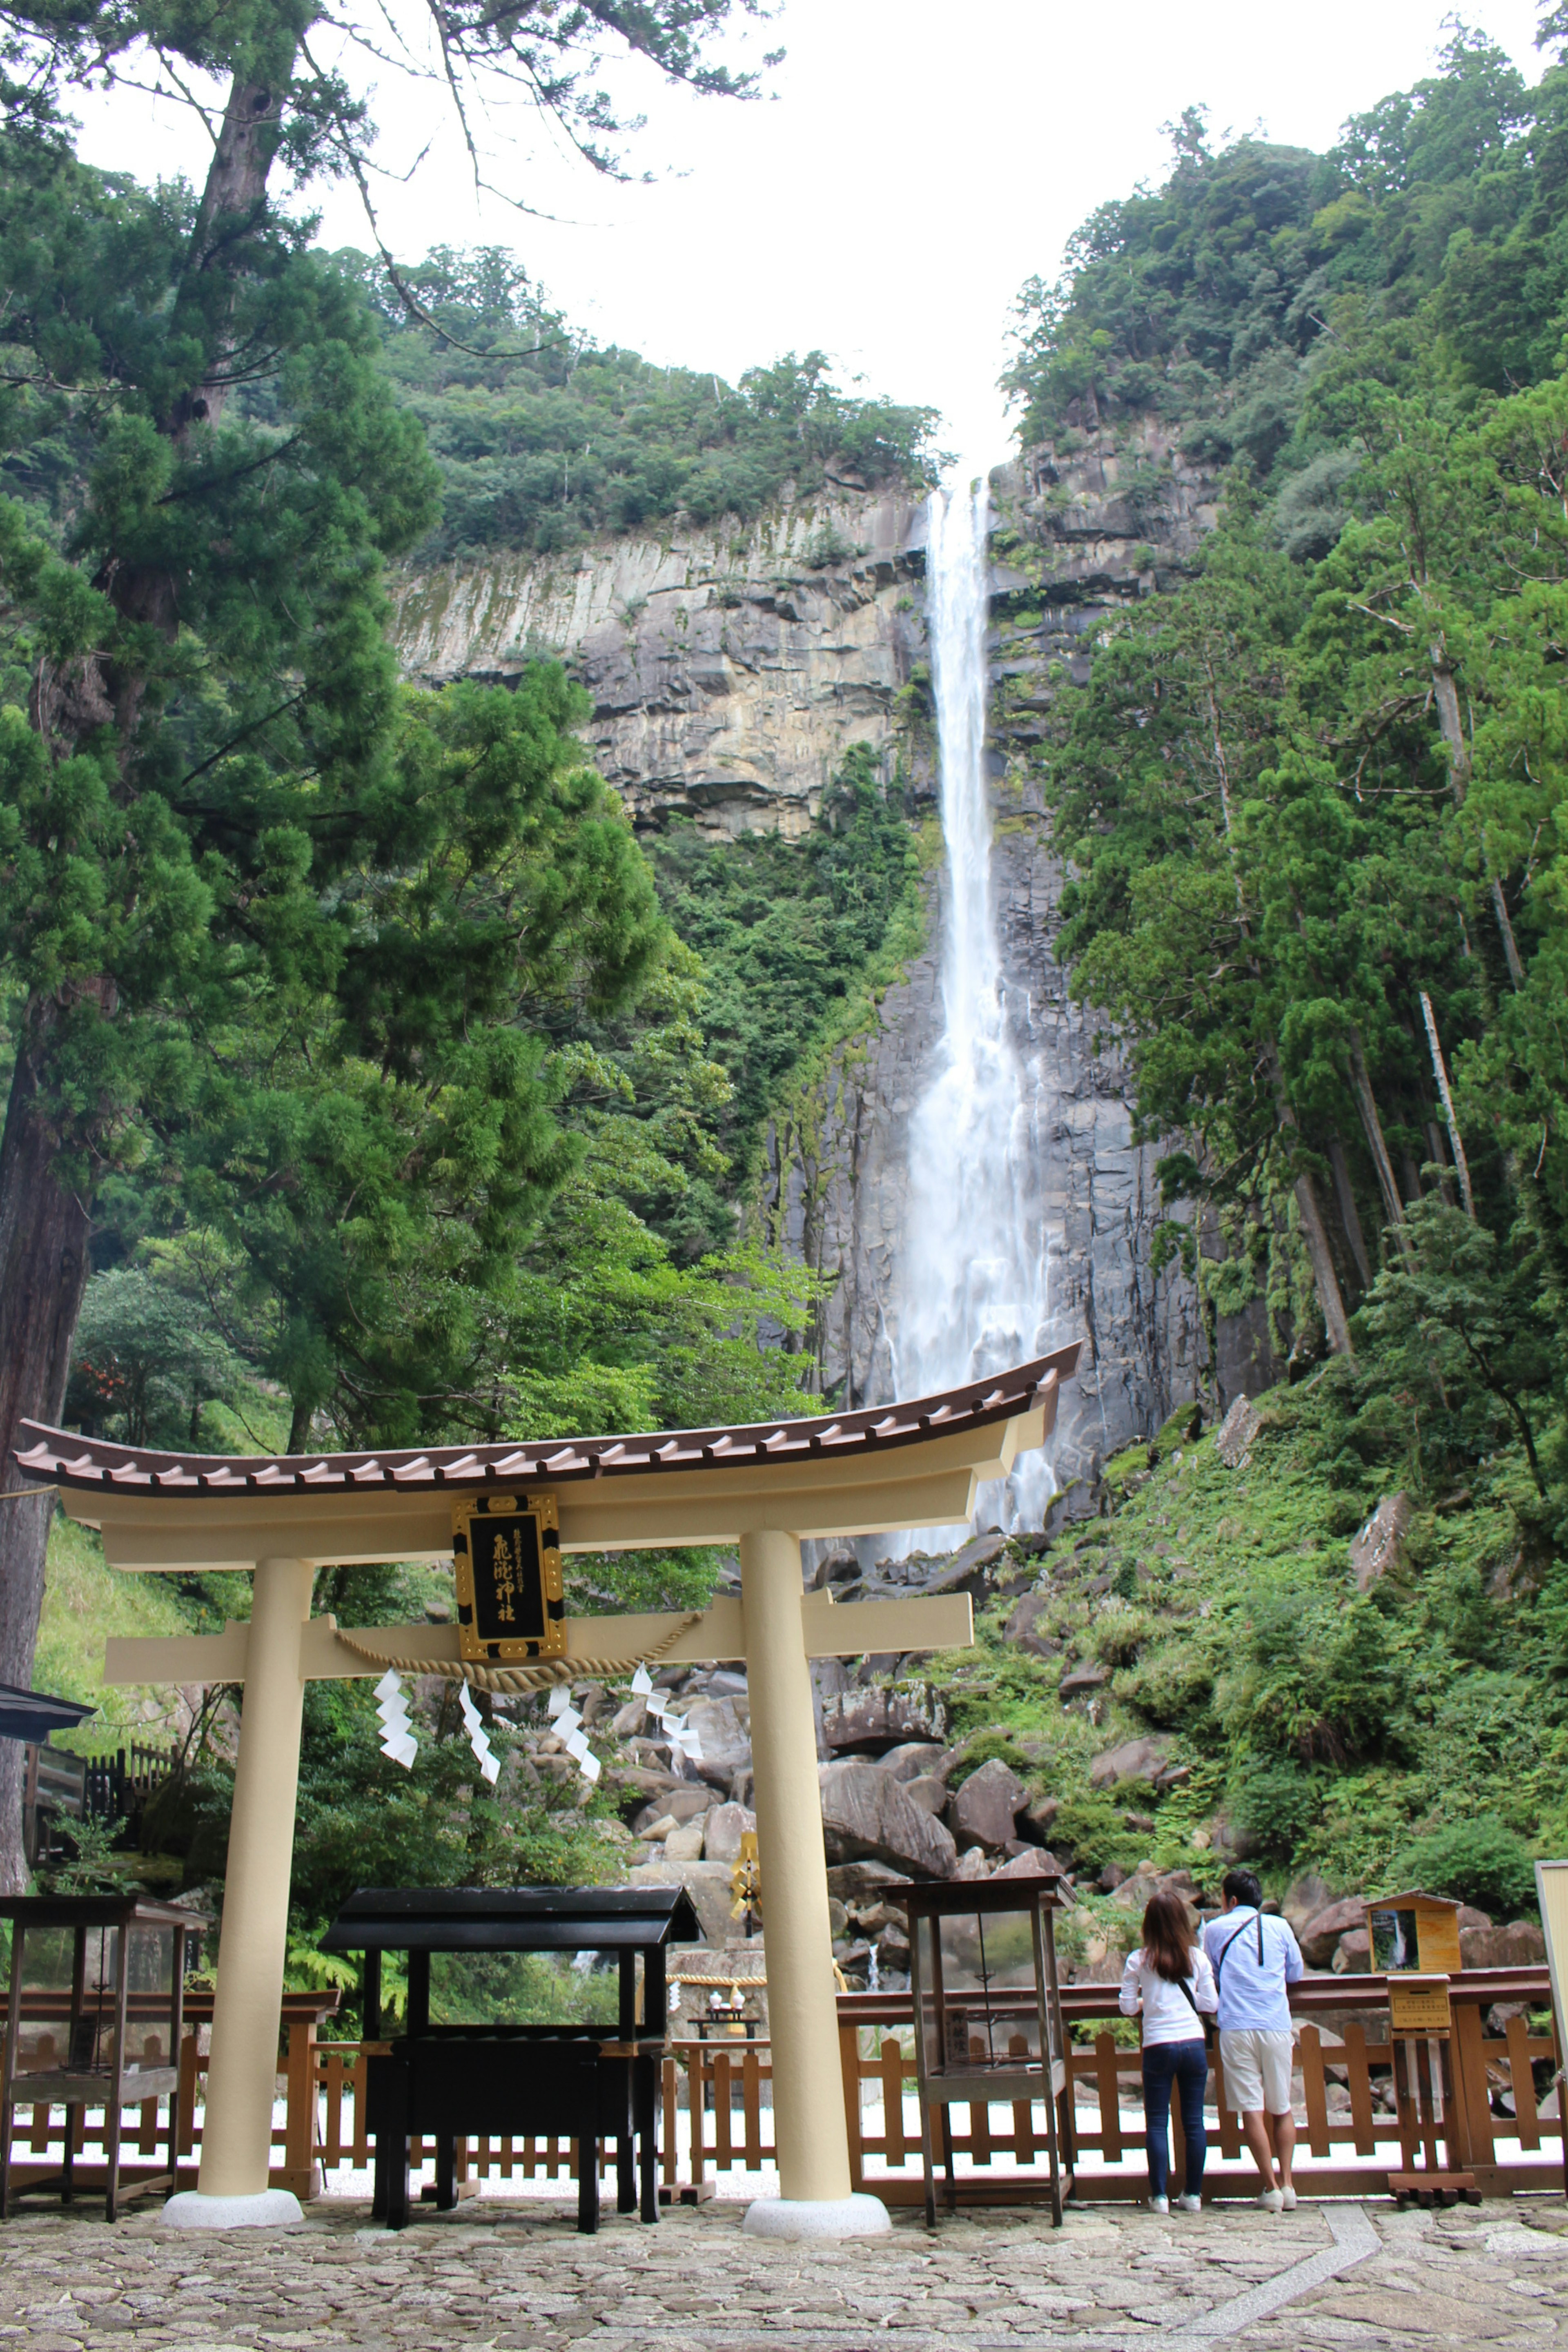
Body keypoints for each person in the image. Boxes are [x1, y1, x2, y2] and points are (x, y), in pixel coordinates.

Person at [1200, 1867, 1305, 2212]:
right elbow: (1296, 1973)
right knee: (1282, 2107)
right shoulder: (1280, 1926)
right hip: (1276, 2024)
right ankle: (1289, 2185)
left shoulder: (1215, 1930)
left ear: (1231, 1900)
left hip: (1236, 2027)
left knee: (1252, 2109)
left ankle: (1270, 2187)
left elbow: (1210, 1974)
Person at [1119, 1891, 1218, 2215]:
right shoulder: (1197, 1958)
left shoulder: (1139, 1959)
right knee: (1194, 2123)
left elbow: (1127, 2006)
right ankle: (1193, 2194)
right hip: (1192, 2044)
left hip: (1158, 2045)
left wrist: (1150, 2002)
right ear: (1181, 1921)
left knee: (1157, 2122)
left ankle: (1160, 2196)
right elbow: (1210, 2005)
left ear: (1149, 1923)